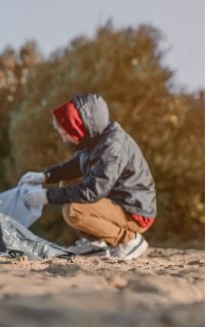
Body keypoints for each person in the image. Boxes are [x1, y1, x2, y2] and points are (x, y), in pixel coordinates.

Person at [20, 93, 156, 260]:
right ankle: (95, 244)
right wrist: (45, 176)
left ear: (80, 125)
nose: (64, 138)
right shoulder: (94, 139)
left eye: (66, 133)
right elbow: (75, 166)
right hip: (118, 201)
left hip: (134, 210)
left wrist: (47, 196)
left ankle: (129, 240)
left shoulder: (112, 146)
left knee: (73, 211)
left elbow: (92, 191)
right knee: (67, 181)